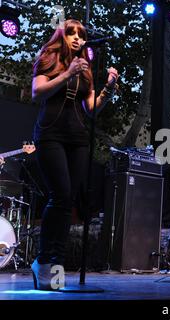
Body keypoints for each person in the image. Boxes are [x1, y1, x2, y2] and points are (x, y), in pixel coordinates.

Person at [31, 19, 119, 290]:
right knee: (60, 195)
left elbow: (91, 108)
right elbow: (37, 92)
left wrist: (108, 88)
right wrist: (67, 74)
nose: (78, 39)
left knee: (68, 200)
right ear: (62, 35)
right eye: (72, 33)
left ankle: (53, 265)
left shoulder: (85, 67)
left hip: (78, 138)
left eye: (81, 35)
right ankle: (44, 261)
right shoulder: (51, 57)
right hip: (50, 134)